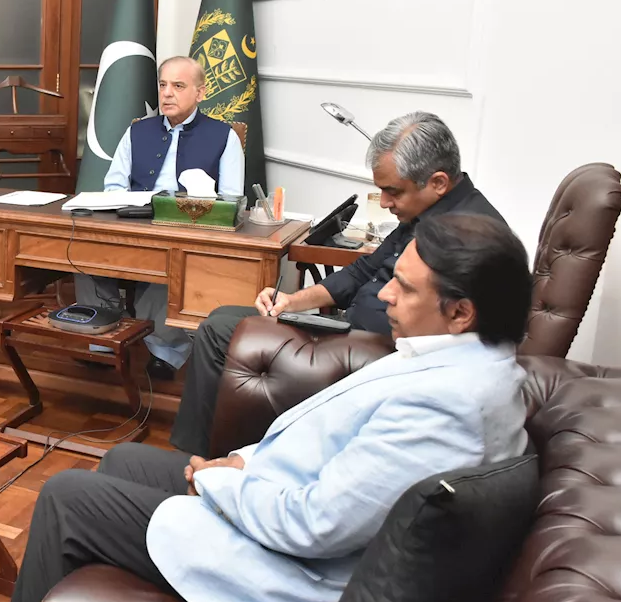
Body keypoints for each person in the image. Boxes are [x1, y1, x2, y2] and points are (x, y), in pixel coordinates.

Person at [0, 212, 532, 602]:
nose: (384, 297)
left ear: (460, 312)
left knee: (67, 497)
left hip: (295, 571)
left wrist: (220, 480)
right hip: (276, 501)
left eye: (403, 288)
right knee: (125, 456)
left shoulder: (449, 408)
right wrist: (245, 459)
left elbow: (317, 527)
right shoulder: (464, 367)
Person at [170, 111, 504, 458]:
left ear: (437, 182)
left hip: (374, 358)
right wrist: (292, 301)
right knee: (225, 320)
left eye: (393, 192)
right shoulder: (427, 211)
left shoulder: (472, 236)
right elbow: (362, 271)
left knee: (220, 329)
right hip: (349, 331)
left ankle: (204, 459)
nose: (385, 202)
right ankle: (222, 455)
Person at [75, 56, 245, 379]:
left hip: (186, 230)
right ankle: (101, 339)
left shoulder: (225, 137)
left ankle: (165, 350)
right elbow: (114, 184)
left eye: (178, 86)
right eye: (163, 85)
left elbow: (231, 200)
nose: (167, 93)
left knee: (168, 263)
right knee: (84, 252)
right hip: (132, 223)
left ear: (200, 92)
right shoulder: (137, 131)